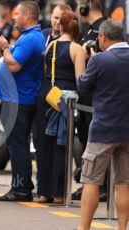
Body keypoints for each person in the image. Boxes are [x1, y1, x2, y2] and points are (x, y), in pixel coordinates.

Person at [77, 19, 129, 230]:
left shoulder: (100, 61)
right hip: (127, 131)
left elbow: (82, 86)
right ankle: (122, 227)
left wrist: (86, 59)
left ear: (103, 37)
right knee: (124, 183)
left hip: (103, 131)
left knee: (91, 180)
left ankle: (84, 227)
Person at [0, 0, 45, 202]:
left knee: (18, 145)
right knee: (18, 143)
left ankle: (21, 188)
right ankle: (22, 186)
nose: (14, 17)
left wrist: (4, 47)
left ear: (27, 16)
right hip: (20, 98)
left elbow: (14, 66)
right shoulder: (30, 37)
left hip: (19, 100)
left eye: (17, 14)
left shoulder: (29, 39)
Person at [35, 11, 86, 204]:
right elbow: (81, 80)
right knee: (62, 145)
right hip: (66, 99)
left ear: (61, 27)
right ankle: (59, 194)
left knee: (44, 144)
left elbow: (47, 72)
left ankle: (43, 192)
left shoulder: (50, 46)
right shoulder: (77, 49)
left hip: (47, 95)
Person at [73, 0, 108, 201]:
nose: (78, 9)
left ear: (85, 6)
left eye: (79, 4)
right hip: (86, 96)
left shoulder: (103, 29)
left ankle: (101, 186)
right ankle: (92, 184)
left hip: (96, 97)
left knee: (96, 144)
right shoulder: (89, 30)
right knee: (86, 140)